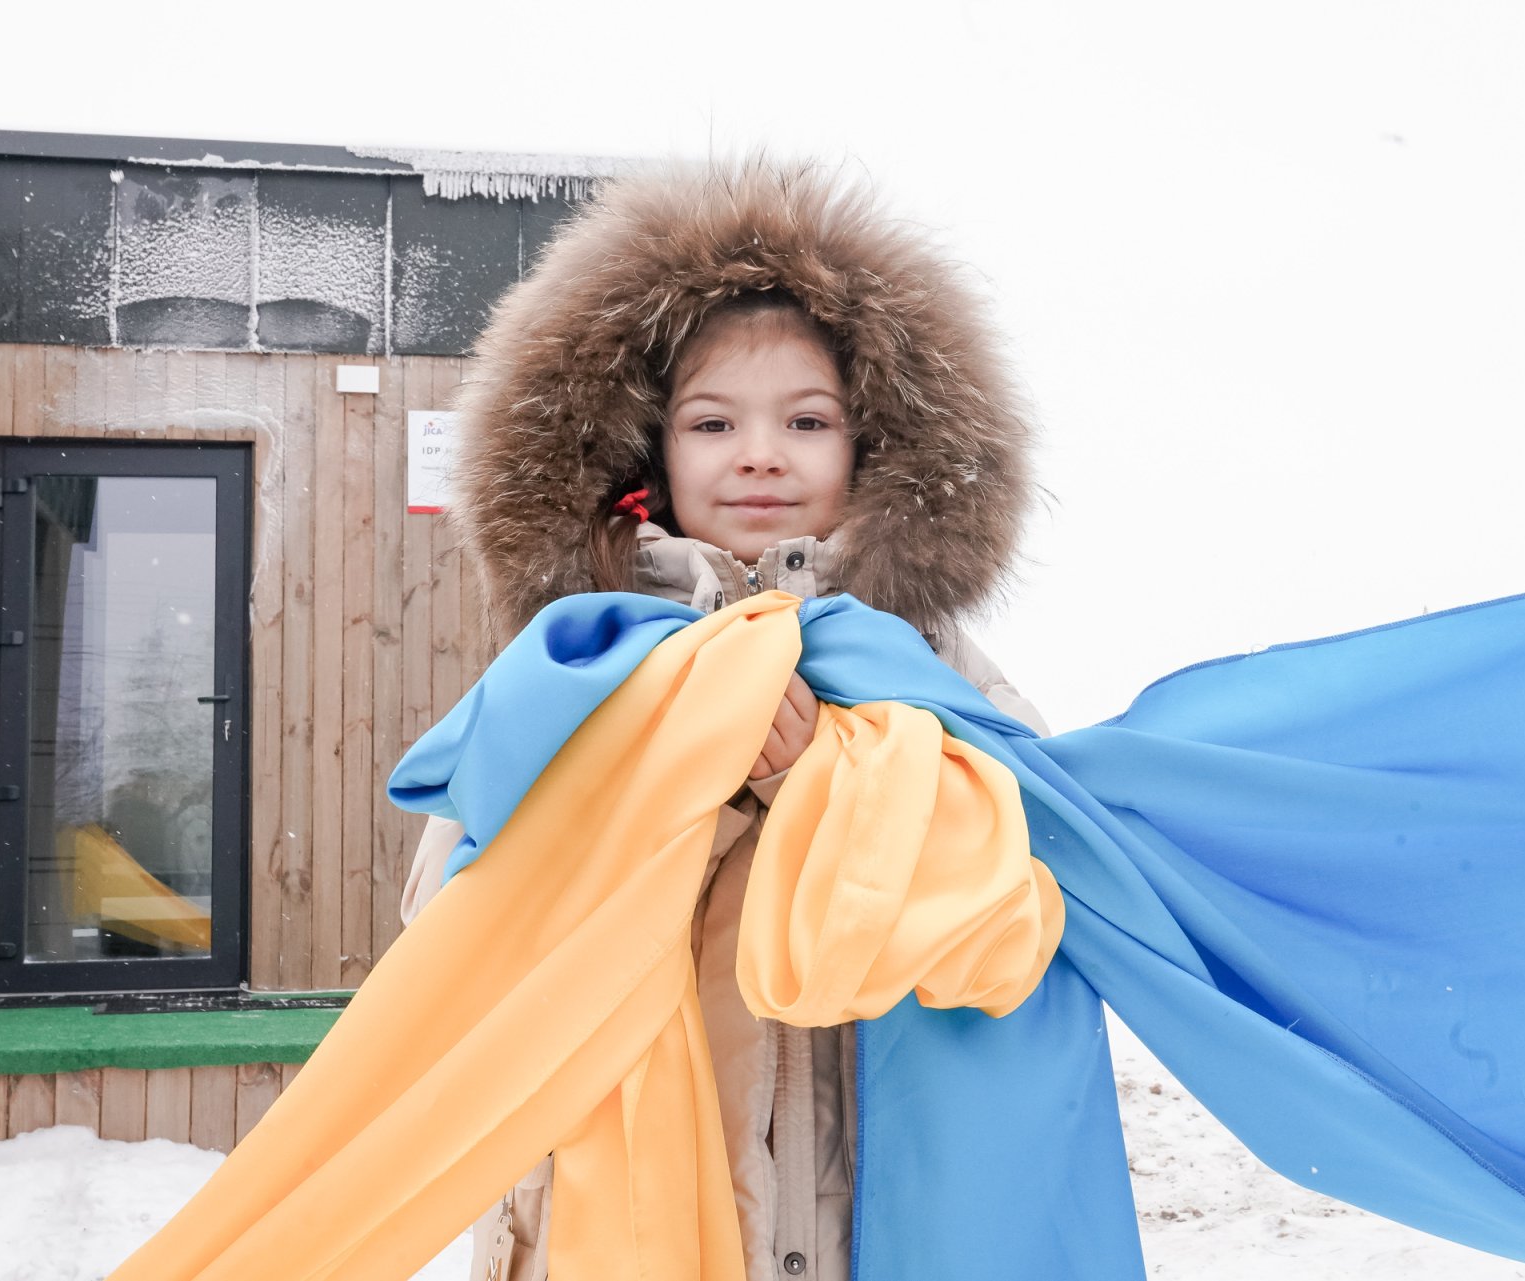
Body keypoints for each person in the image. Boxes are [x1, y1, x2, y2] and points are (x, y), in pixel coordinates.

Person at [400, 159, 1049, 1281]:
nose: (760, 452)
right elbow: (446, 920)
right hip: (608, 1216)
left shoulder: (931, 667)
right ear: (648, 450)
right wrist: (655, 777)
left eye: (807, 419)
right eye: (712, 421)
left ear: (874, 446)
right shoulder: (582, 658)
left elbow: (1020, 893)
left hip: (852, 1212)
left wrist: (827, 788)